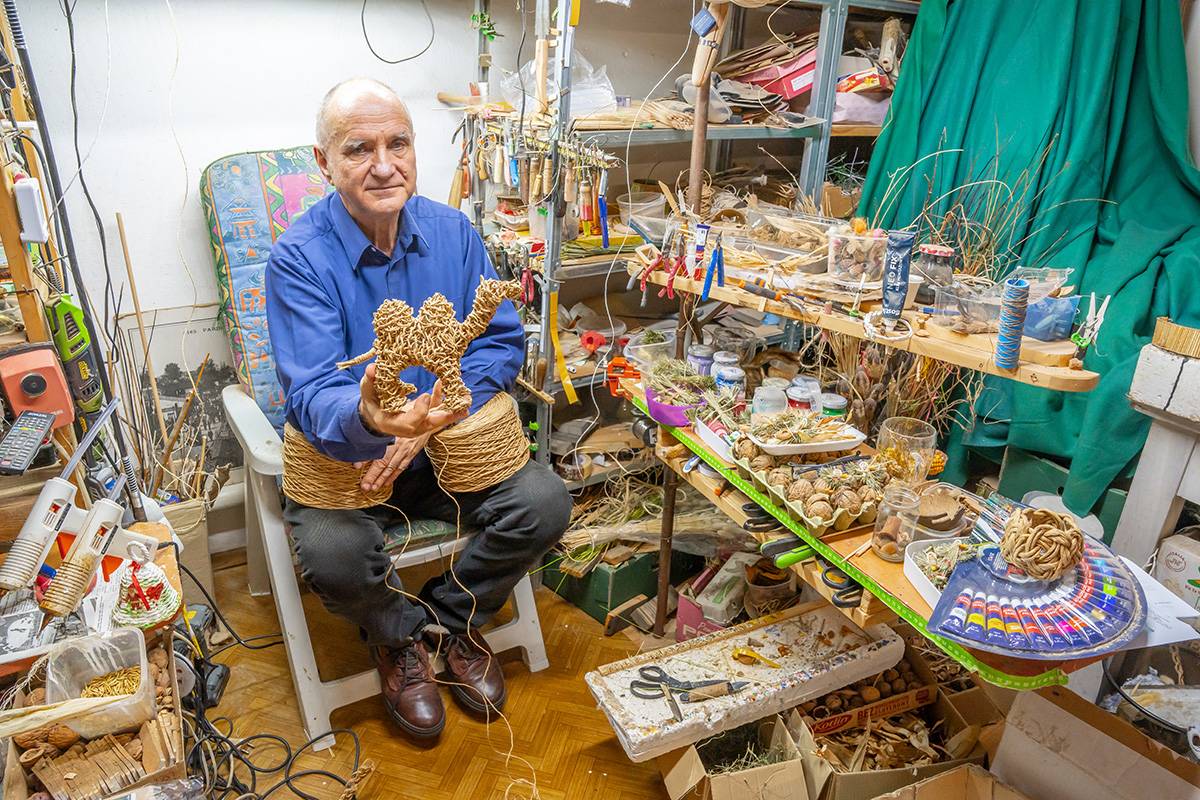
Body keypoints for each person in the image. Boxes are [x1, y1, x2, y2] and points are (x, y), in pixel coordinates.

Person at [265, 78, 571, 743]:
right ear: (324, 163)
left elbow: (498, 343)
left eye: (397, 143)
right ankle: (397, 639)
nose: (383, 165)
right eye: (358, 149)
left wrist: (427, 421)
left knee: (544, 502)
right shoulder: (298, 259)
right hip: (345, 465)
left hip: (444, 450)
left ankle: (447, 620)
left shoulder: (452, 232)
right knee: (333, 556)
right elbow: (312, 391)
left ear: (413, 147)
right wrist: (376, 422)